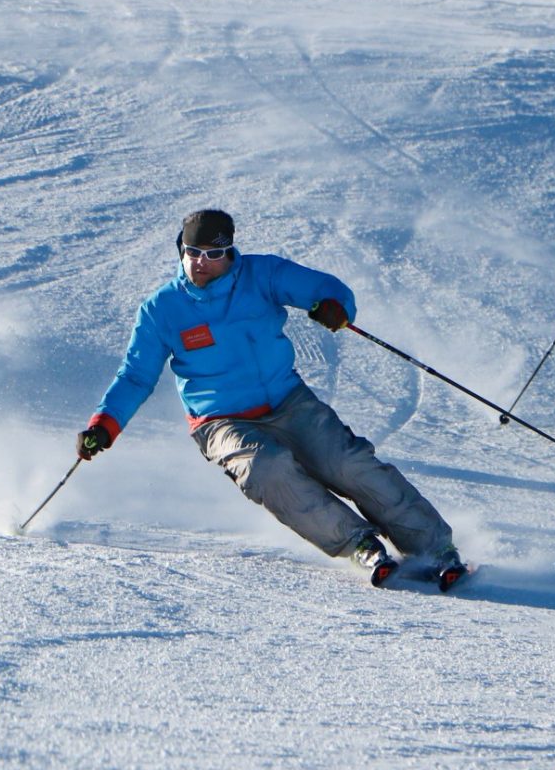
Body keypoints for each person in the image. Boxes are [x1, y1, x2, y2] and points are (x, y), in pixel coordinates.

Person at [75, 209, 464, 587]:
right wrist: (104, 424)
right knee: (269, 469)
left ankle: (434, 547)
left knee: (346, 462)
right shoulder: (162, 310)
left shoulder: (262, 275)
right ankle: (358, 543)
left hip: (287, 401)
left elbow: (326, 288)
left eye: (211, 255)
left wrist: (334, 306)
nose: (200, 264)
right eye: (192, 253)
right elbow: (136, 376)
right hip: (220, 421)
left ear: (229, 253)